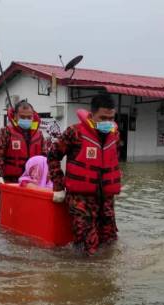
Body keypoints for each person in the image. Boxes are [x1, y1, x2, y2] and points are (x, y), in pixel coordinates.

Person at [48, 94, 122, 256]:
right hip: (80, 199)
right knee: (88, 247)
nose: (107, 122)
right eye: (102, 118)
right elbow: (53, 156)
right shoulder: (74, 133)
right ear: (92, 114)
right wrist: (58, 187)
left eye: (111, 118)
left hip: (107, 200)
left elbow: (112, 162)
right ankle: (80, 277)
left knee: (110, 243)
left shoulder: (114, 135)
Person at [0, 100, 46, 209]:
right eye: (22, 117)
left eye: (29, 117)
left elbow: (46, 159)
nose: (26, 120)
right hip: (10, 182)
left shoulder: (39, 135)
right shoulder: (5, 132)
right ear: (15, 116)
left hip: (33, 184)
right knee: (7, 213)